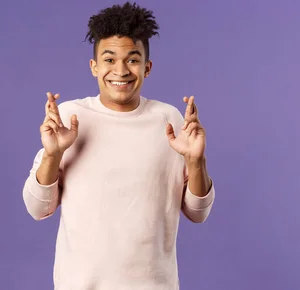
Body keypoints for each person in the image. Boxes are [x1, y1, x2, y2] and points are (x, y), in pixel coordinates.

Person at [21, 2, 215, 289]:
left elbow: (197, 213)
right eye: (109, 59)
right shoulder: (70, 118)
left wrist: (196, 161)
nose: (121, 70)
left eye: (132, 59)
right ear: (94, 66)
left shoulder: (169, 121)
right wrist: (53, 154)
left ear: (147, 67)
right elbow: (37, 208)